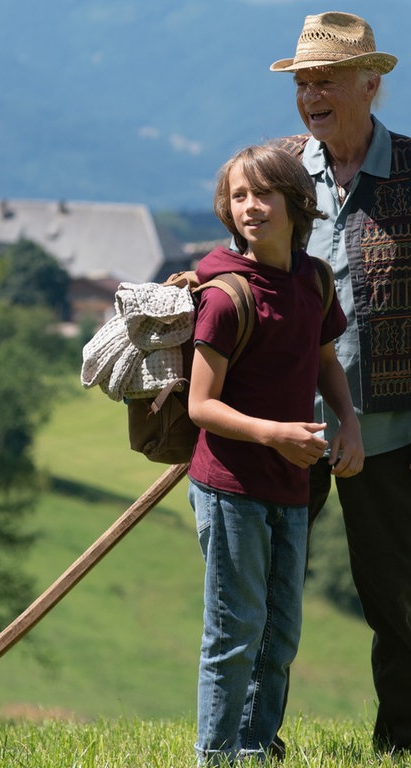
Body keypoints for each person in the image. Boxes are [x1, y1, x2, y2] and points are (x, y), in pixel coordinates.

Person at [187, 144, 363, 765]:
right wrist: (275, 435)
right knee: (234, 633)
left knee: (280, 633)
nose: (250, 207)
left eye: (263, 194)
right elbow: (200, 406)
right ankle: (216, 755)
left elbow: (324, 359)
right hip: (230, 485)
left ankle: (256, 750)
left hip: (291, 483)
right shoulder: (226, 294)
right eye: (238, 196)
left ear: (296, 202)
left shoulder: (312, 279)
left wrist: (349, 423)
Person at [269, 11, 411, 752]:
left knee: (400, 600)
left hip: (395, 433)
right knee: (266, 594)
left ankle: (403, 742)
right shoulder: (280, 174)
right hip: (291, 428)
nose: (311, 96)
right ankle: (253, 740)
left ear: (371, 83)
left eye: (326, 82)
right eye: (302, 83)